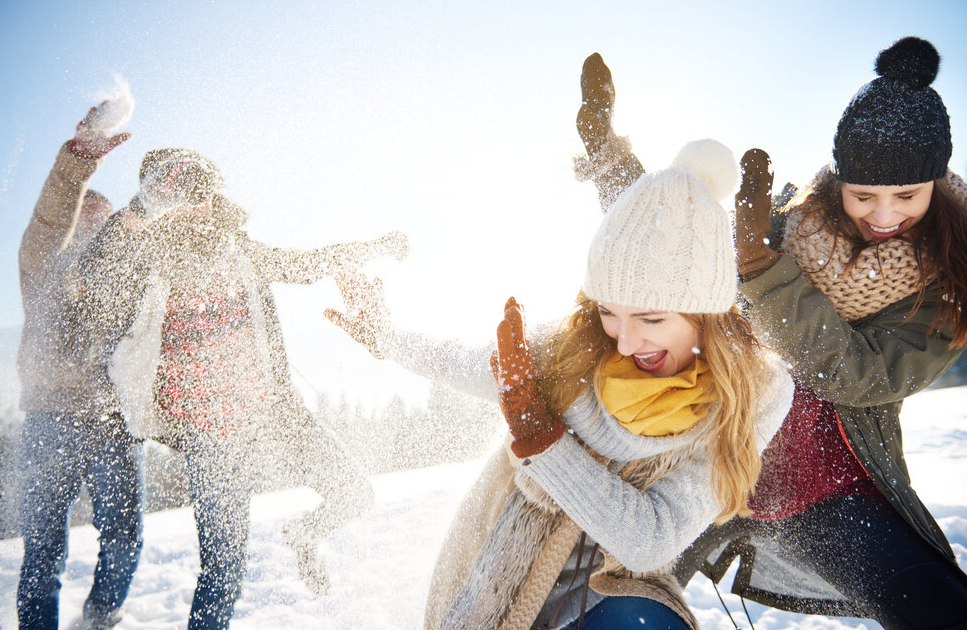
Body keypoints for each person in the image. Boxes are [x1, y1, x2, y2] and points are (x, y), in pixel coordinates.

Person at [575, 40, 967, 628]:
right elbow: (665, 246)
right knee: (611, 610)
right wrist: (605, 150)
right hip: (705, 476)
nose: (884, 216)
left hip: (828, 495)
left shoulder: (946, 285)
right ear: (838, 184)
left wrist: (763, 274)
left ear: (935, 186)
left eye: (906, 197)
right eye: (864, 196)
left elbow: (862, 377)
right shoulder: (782, 226)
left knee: (939, 608)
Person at [325, 138, 795, 629]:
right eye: (609, 312)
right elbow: (461, 360)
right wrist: (383, 336)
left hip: (616, 590)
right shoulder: (575, 348)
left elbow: (649, 540)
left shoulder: (753, 392)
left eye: (651, 319)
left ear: (707, 313)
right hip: (506, 575)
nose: (627, 342)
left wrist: (542, 440)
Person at [70, 149, 404, 629]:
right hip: (212, 441)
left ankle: (304, 534)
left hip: (274, 416)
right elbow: (96, 286)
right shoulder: (142, 265)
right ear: (160, 202)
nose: (199, 205)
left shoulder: (237, 248)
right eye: (183, 194)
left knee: (355, 493)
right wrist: (141, 209)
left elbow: (306, 263)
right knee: (223, 573)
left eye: (204, 193)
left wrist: (373, 247)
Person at [16, 104, 143, 630]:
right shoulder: (46, 262)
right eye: (83, 218)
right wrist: (76, 165)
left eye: (103, 221)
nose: (92, 227)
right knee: (43, 547)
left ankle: (100, 619)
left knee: (123, 536)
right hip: (51, 416)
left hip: (112, 420)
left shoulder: (123, 275)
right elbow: (50, 220)